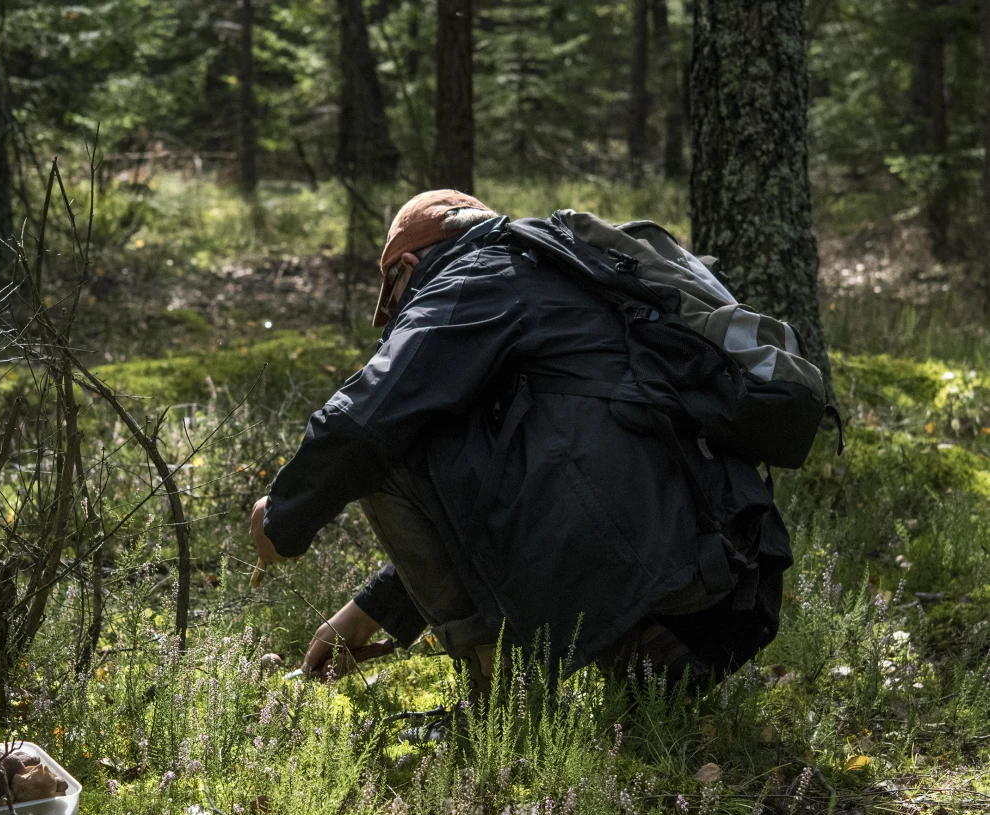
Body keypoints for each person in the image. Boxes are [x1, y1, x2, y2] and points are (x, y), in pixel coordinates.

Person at [248, 190, 791, 707]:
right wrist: (367, 612)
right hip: (724, 584)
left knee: (391, 446)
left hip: (656, 574)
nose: (393, 325)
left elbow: (363, 423)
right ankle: (644, 653)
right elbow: (498, 485)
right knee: (427, 428)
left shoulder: (473, 274)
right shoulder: (556, 275)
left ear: (406, 269)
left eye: (392, 308)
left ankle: (500, 704)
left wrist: (282, 521)